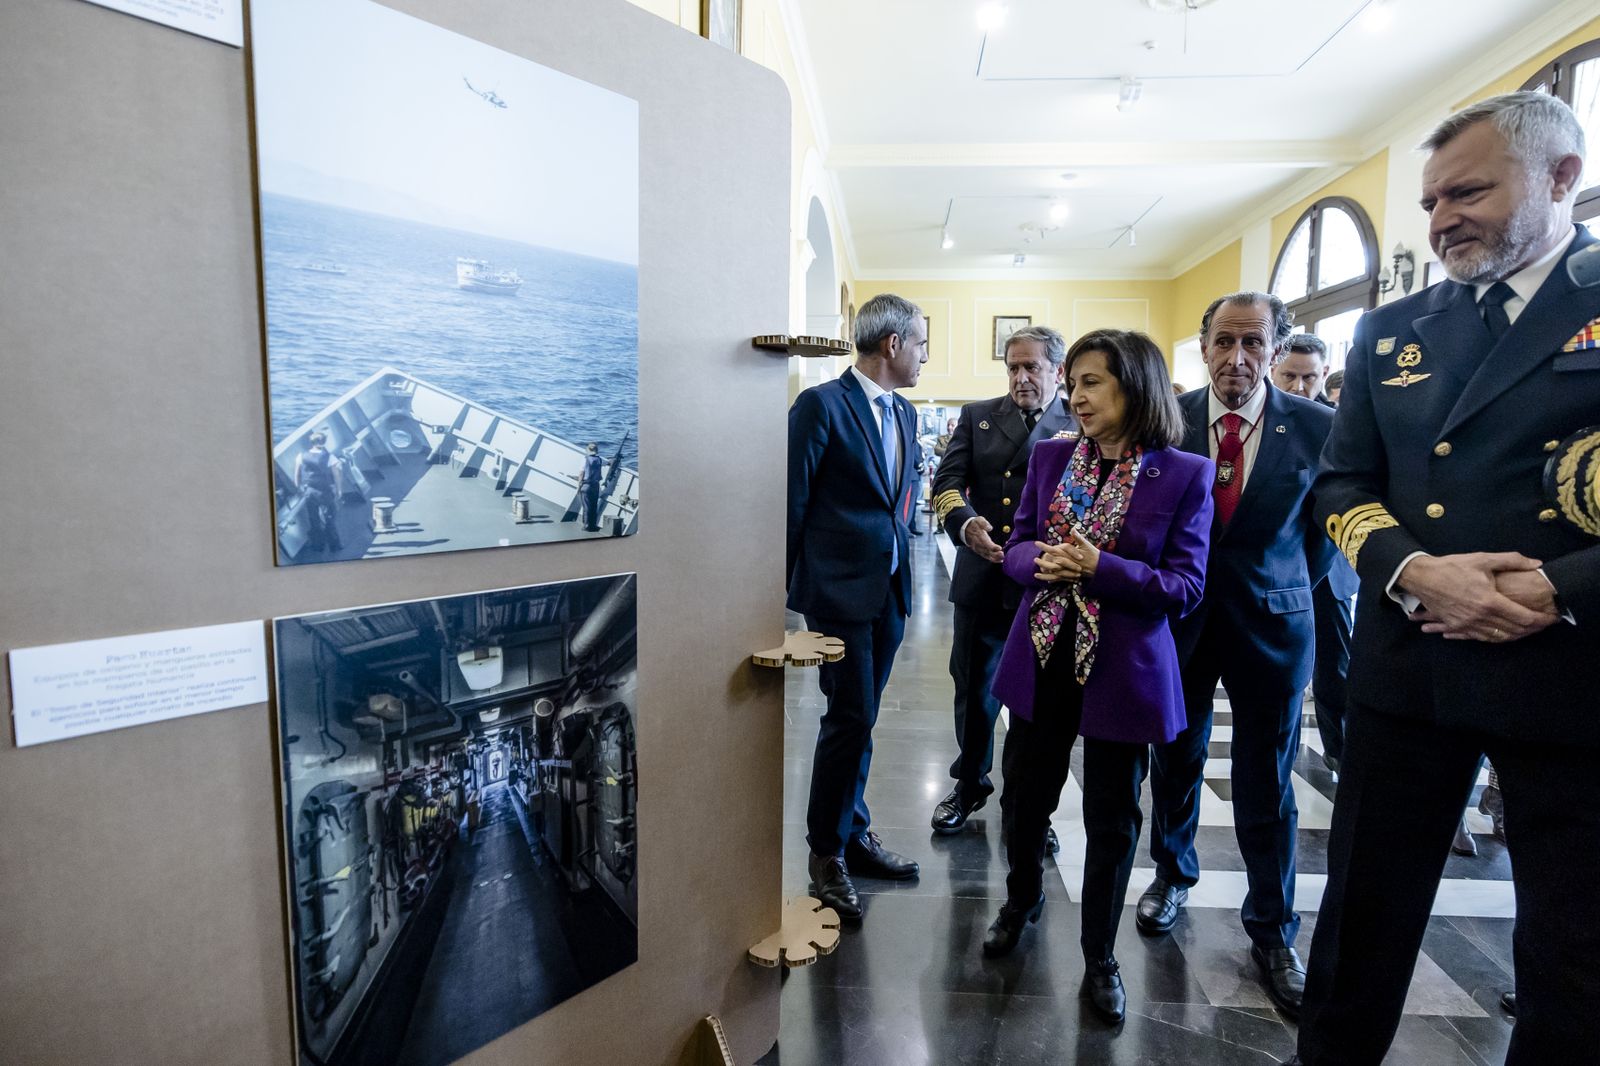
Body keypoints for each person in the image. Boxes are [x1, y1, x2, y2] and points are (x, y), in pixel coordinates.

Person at [1290, 91, 1600, 1066]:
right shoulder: (1390, 329)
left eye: (1466, 191)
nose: (1439, 221)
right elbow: (1341, 481)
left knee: (1574, 941)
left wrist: (1561, 587)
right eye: (1427, 202)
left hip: (1568, 668)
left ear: (1560, 178)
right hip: (1411, 660)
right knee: (1362, 912)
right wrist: (1414, 567)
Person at [981, 330, 1212, 1028]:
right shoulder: (1051, 458)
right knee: (1024, 797)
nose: (1074, 396)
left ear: (1134, 387)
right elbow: (1017, 543)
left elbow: (1185, 585)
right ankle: (1021, 899)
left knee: (1112, 820)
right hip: (1044, 655)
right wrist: (1036, 565)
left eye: (1091, 383)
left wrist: (1099, 569)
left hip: (1122, 669)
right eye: (1073, 383)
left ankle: (1100, 957)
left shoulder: (1183, 473)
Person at [1138, 291, 1337, 1019]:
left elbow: (1319, 541)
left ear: (1278, 347)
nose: (1238, 358)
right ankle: (1171, 875)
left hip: (1274, 629)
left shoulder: (1318, 428)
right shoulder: (1169, 421)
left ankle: (1273, 927)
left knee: (1267, 780)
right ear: (1203, 346)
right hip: (1182, 627)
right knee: (1176, 759)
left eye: (1255, 343)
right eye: (1224, 341)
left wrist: (1277, 589)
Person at [787, 293, 929, 919]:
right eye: (921, 343)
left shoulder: (905, 413)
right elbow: (790, 503)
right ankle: (825, 854)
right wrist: (779, 600)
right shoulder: (821, 405)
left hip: (889, 591)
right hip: (838, 594)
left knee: (863, 717)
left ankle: (852, 831)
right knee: (847, 717)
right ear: (893, 345)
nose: (926, 355)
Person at [929, 325, 1077, 843]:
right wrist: (965, 521)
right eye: (1013, 367)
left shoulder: (1079, 419)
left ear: (1056, 371)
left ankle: (1034, 804)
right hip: (984, 574)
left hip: (1047, 581)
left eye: (1031, 367)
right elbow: (945, 482)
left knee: (1038, 697)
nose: (1020, 377)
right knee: (973, 689)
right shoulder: (979, 416)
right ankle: (969, 782)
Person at [1273, 335, 1358, 775]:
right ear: (1273, 368)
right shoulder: (1264, 417)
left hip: (1328, 565)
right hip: (1274, 567)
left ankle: (1341, 752)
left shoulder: (1336, 424)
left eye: (1309, 377)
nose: (1299, 386)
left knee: (1336, 663)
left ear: (1324, 374)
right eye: (1290, 375)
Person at [294, 430, 345, 554]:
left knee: (314, 519)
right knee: (330, 518)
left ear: (311, 442)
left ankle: (318, 545)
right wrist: (339, 490)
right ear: (324, 442)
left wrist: (299, 487)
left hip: (310, 492)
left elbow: (297, 474)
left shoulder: (301, 456)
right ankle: (334, 545)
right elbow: (336, 475)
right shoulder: (330, 457)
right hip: (325, 491)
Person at [1274, 334, 1332, 402]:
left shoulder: (1335, 412)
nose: (1298, 388)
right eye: (1289, 376)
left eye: (1308, 377)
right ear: (1273, 371)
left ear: (1324, 373)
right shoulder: (1259, 408)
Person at [579, 443, 605, 532]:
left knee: (586, 506)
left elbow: (581, 473)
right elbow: (608, 462)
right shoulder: (600, 460)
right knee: (594, 505)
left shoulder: (585, 459)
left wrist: (579, 484)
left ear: (588, 450)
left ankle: (586, 525)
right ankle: (593, 525)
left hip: (586, 485)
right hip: (596, 485)